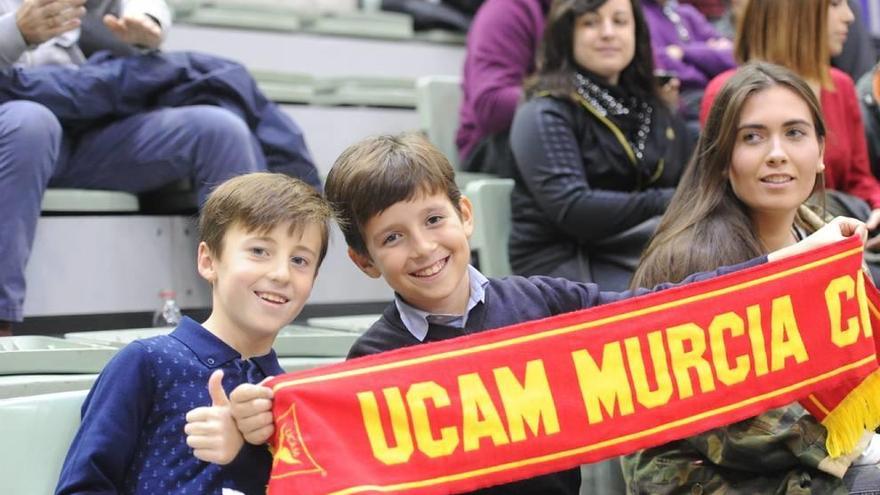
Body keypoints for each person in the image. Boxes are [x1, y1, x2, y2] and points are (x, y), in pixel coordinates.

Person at [209, 132, 864, 495]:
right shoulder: (371, 363)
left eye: (434, 220)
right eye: (392, 236)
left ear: (465, 215)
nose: (424, 247)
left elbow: (668, 317)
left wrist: (783, 265)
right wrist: (255, 441)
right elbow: (332, 478)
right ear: (363, 260)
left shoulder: (547, 303)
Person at [622, 62, 880, 494]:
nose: (776, 152)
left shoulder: (829, 233)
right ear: (723, 159)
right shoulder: (691, 261)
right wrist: (865, 445)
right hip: (715, 478)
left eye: (794, 133)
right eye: (753, 137)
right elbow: (740, 433)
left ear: (820, 153)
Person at [0, 0, 317, 337]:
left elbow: (142, 9)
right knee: (32, 122)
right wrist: (14, 33)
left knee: (219, 128)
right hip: (19, 124)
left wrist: (145, 26)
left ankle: (248, 320)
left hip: (95, 122)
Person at [54, 173, 334, 494]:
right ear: (208, 260)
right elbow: (83, 486)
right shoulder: (148, 363)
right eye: (259, 251)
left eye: (299, 260)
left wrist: (242, 455)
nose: (281, 273)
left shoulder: (287, 396)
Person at [508, 0, 690, 291]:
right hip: (566, 261)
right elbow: (573, 209)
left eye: (619, 21)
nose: (608, 33)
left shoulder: (653, 106)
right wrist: (673, 200)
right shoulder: (543, 111)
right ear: (567, 33)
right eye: (590, 22)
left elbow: (693, 177)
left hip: (645, 247)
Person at [699, 0, 880, 253]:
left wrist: (877, 206)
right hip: (754, 249)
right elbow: (714, 187)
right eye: (835, 4)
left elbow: (858, 178)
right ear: (794, 10)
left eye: (794, 132)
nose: (849, 16)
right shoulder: (726, 92)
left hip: (846, 239)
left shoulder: (840, 85)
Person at [455, 0, 552, 175]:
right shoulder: (507, 8)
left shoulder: (594, 12)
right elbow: (491, 104)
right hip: (492, 143)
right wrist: (563, 99)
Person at [641, 0, 735, 126]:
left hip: (709, 91)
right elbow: (665, 67)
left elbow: (731, 56)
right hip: (683, 100)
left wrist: (684, 52)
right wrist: (707, 61)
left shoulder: (686, 12)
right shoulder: (641, 17)